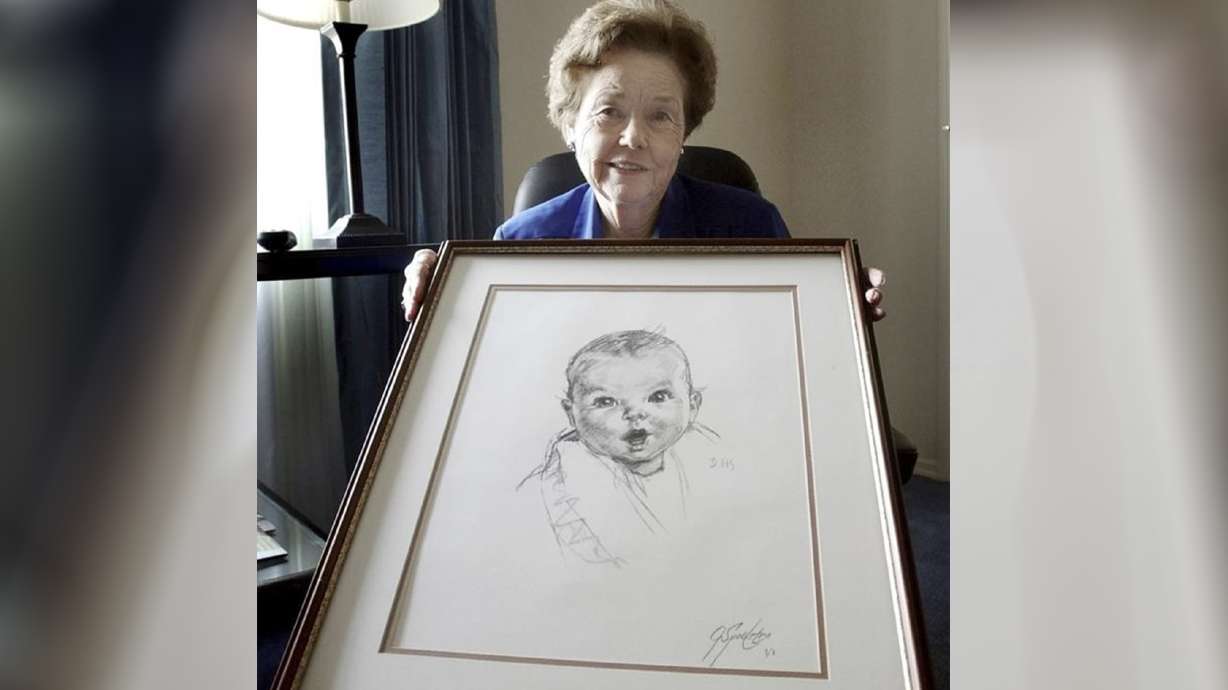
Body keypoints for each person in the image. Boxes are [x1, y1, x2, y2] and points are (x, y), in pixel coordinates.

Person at [401, 0, 887, 321]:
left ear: (683, 135)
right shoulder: (520, 244)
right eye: (609, 111)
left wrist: (838, 309)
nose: (633, 137)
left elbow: (790, 350)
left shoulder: (751, 226)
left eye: (660, 116)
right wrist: (446, 303)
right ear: (570, 125)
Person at [517, 329, 722, 567]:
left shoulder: (711, 461)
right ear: (571, 414)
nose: (635, 414)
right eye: (606, 402)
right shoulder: (548, 493)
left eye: (658, 396)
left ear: (693, 405)